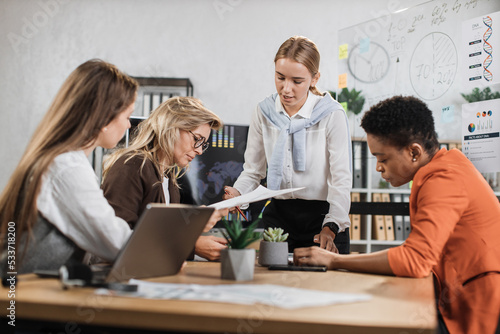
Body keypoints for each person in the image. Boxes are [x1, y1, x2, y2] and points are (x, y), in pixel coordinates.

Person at [294, 95, 500, 333]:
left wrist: (335, 261)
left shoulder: (444, 179)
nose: (378, 167)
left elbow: (415, 261)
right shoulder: (444, 167)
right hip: (457, 295)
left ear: (414, 152)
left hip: (479, 306)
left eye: (383, 158)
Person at [0, 59, 137, 275]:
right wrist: (169, 250)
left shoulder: (60, 159)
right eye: (128, 116)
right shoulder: (66, 167)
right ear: (105, 118)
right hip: (20, 298)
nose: (130, 125)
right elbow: (115, 242)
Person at [224, 36, 352, 253]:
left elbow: (341, 179)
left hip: (324, 220)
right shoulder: (264, 111)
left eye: (297, 81)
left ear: (314, 78)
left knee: (324, 285)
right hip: (279, 218)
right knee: (275, 283)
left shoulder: (331, 114)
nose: (286, 89)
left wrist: (332, 226)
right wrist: (238, 194)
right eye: (280, 77)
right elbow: (253, 171)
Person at [101, 96, 229, 261]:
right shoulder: (133, 166)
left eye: (203, 144)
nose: (199, 151)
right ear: (171, 128)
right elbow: (115, 240)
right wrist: (191, 244)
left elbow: (162, 234)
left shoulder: (169, 179)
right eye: (197, 139)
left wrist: (194, 223)